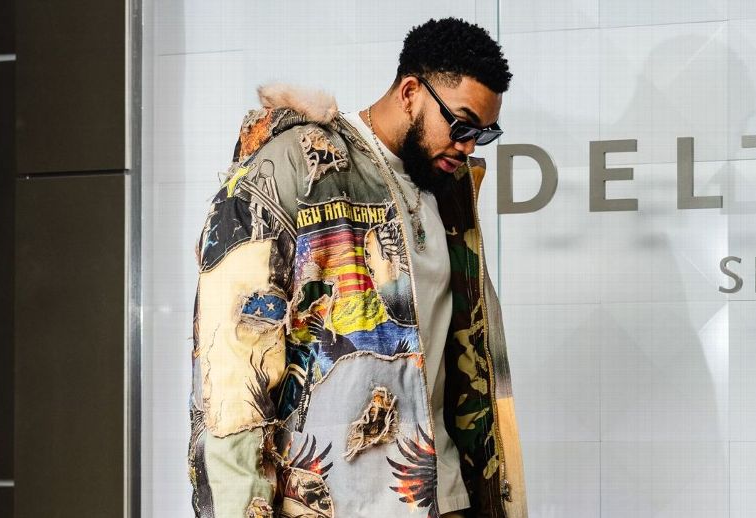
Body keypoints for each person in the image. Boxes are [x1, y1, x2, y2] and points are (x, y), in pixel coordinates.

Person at [189, 17, 527, 518]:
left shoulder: (448, 194)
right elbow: (232, 375)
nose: (469, 145)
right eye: (461, 125)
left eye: (485, 132)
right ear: (410, 92)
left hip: (444, 497)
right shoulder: (295, 169)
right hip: (340, 502)